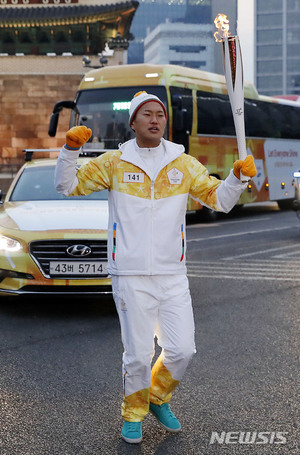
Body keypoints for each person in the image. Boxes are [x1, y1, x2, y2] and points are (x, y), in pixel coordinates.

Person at [55, 91, 257, 444]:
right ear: (133, 122)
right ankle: (132, 413)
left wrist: (237, 179)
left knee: (182, 350)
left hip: (171, 273)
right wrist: (70, 151)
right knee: (137, 354)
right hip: (130, 273)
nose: (154, 119)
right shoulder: (114, 163)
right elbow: (66, 185)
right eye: (146, 114)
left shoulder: (184, 165)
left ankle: (157, 397)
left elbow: (219, 201)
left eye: (159, 115)